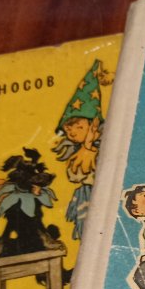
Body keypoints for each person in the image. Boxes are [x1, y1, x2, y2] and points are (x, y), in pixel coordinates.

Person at [52, 59, 111, 241]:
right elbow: (75, 175)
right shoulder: (77, 150)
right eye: (68, 129)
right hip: (87, 197)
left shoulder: (107, 144)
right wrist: (86, 146)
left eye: (78, 126)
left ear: (93, 124)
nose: (72, 132)